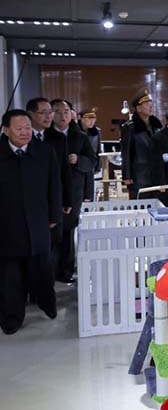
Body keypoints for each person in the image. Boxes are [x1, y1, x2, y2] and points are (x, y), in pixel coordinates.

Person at [0, 110, 62, 335]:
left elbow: (54, 186)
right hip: (6, 224)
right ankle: (11, 318)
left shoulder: (44, 151)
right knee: (10, 275)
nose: (25, 132)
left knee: (42, 270)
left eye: (27, 127)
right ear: (6, 130)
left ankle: (48, 305)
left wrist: (54, 216)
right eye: (19, 128)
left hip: (38, 222)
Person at [51, 99, 96, 283]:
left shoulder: (80, 137)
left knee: (68, 230)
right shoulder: (46, 136)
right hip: (52, 190)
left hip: (74, 189)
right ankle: (50, 269)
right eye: (58, 112)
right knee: (52, 229)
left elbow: (92, 163)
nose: (62, 116)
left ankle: (66, 270)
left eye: (66, 112)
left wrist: (78, 160)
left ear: (71, 114)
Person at [27, 98, 72, 219]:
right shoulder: (23, 137)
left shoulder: (58, 138)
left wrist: (67, 200)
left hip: (54, 197)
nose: (48, 117)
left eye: (50, 112)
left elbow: (64, 170)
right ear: (30, 114)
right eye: (43, 112)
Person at [121, 90, 162, 198]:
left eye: (151, 103)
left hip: (155, 174)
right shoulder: (130, 127)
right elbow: (126, 153)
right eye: (147, 104)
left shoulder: (156, 126)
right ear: (138, 108)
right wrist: (127, 175)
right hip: (139, 174)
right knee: (140, 203)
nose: (151, 106)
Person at [78, 108, 102, 201]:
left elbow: (98, 149)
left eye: (94, 119)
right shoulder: (76, 131)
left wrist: (98, 166)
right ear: (81, 118)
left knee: (89, 191)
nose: (92, 121)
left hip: (91, 163)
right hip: (79, 163)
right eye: (89, 118)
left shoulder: (97, 131)